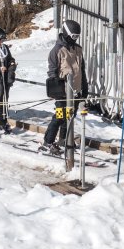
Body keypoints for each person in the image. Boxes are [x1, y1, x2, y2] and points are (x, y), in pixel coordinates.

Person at [41, 19, 85, 156]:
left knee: (70, 117)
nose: (75, 39)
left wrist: (85, 87)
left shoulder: (78, 49)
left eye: (77, 37)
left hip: (76, 91)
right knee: (59, 117)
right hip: (63, 91)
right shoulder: (57, 50)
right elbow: (52, 71)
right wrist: (57, 90)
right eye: (73, 36)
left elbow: (82, 70)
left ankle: (64, 139)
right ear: (66, 33)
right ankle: (48, 142)